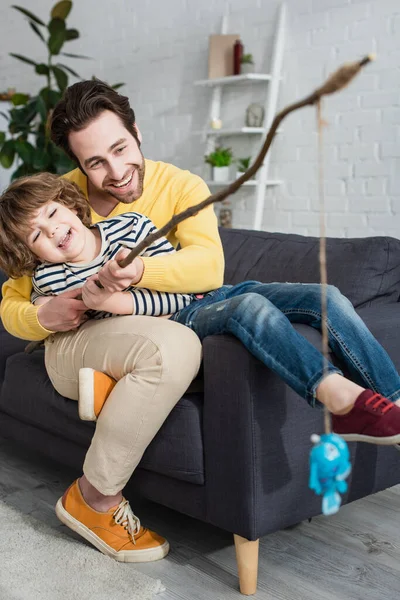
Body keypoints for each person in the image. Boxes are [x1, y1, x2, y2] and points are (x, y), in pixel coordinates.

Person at [2, 174, 400, 454]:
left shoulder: (133, 226)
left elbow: (178, 290)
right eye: (35, 235)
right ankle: (341, 400)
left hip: (206, 296)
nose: (52, 231)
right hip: (178, 326)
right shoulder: (51, 279)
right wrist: (82, 307)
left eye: (52, 214)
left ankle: (393, 406)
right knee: (248, 309)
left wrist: (123, 299)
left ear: (71, 205)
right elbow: (93, 329)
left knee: (325, 296)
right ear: (31, 253)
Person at [0, 80, 223, 562]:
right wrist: (44, 314)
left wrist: (135, 275)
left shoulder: (181, 188)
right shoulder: (62, 202)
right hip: (74, 338)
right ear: (78, 167)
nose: (116, 172)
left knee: (180, 335)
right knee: (172, 347)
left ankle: (111, 387)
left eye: (120, 149)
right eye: (94, 163)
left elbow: (209, 270)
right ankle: (95, 499)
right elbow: (12, 301)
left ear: (136, 132)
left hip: (133, 324)